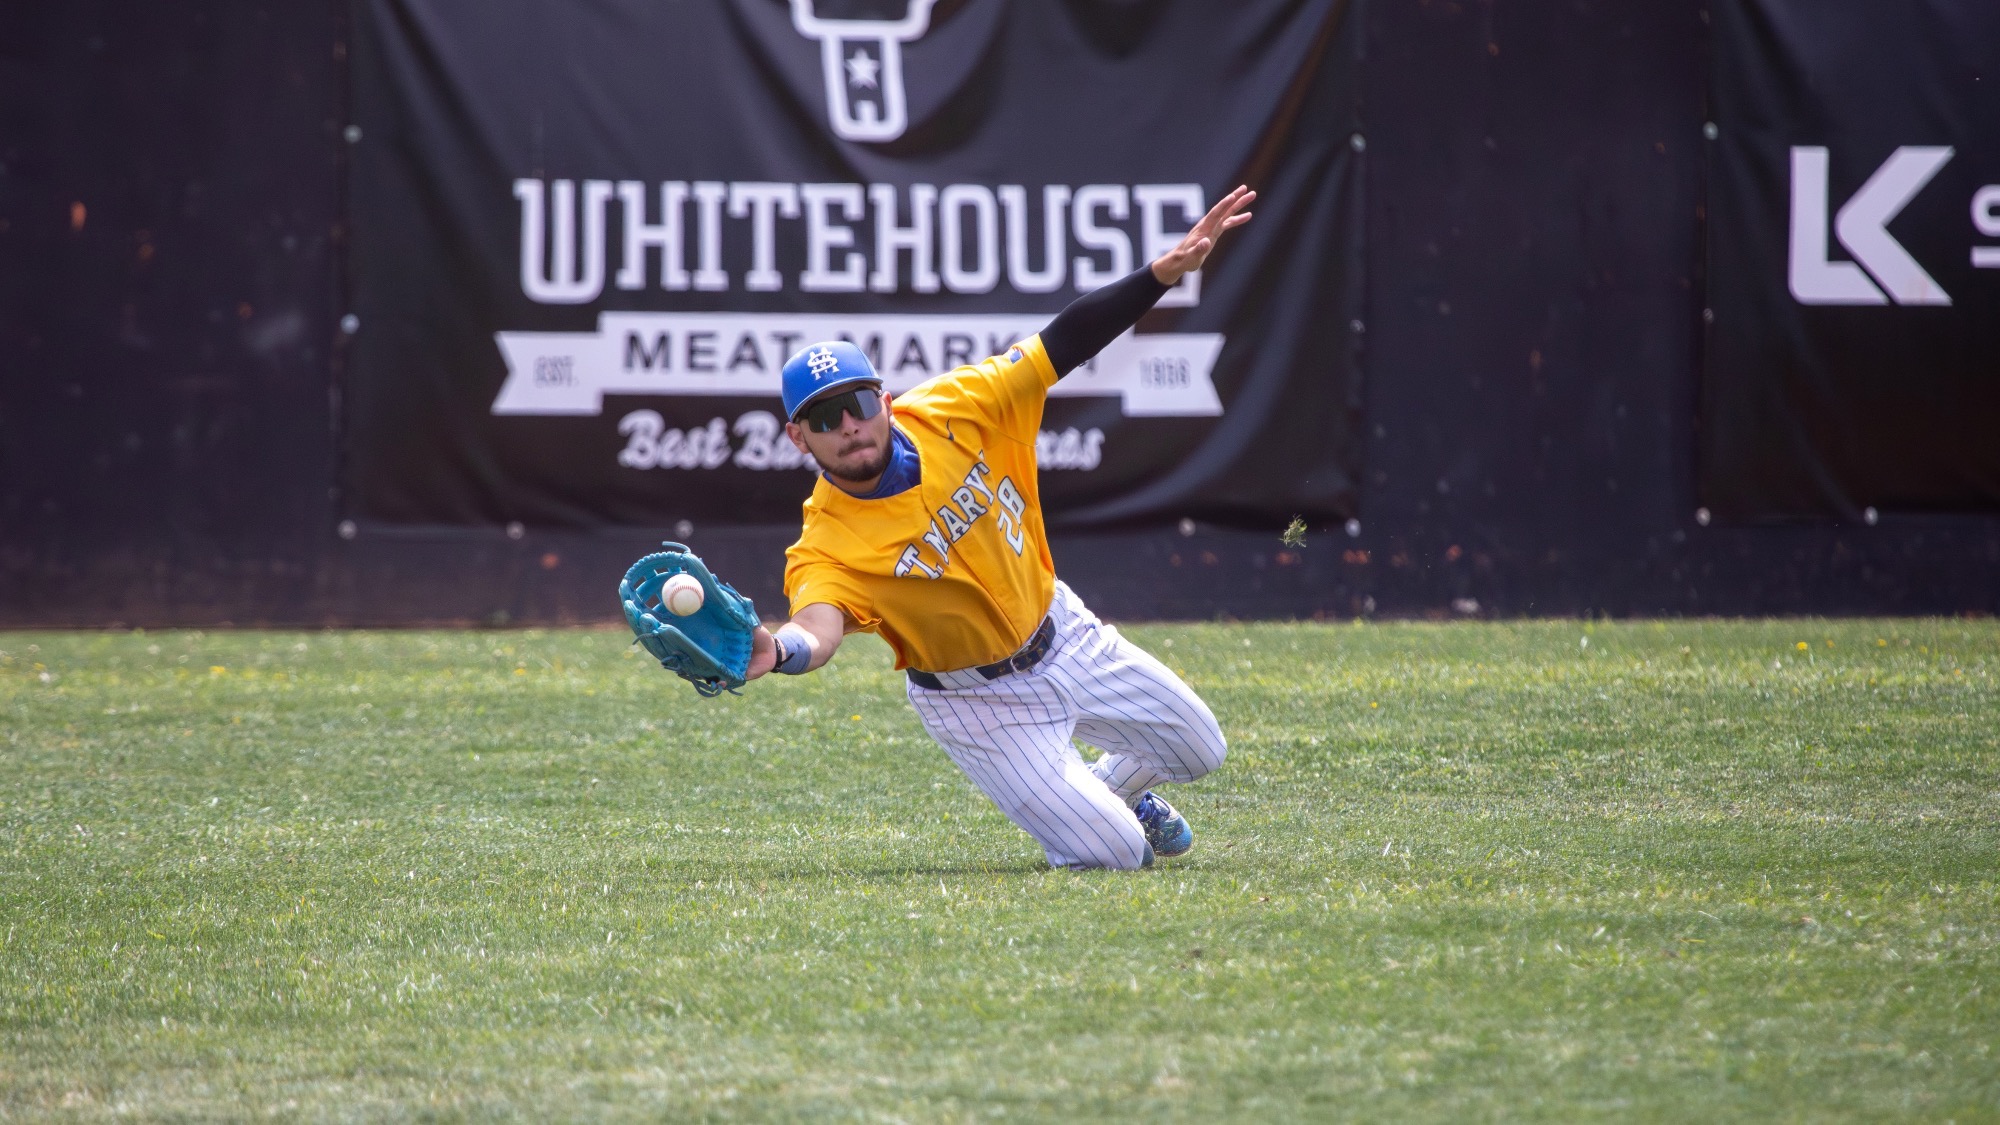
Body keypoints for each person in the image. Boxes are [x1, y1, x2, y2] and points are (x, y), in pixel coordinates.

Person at [746, 186, 1256, 870]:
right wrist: (780, 651)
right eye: (823, 417)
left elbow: (1062, 342)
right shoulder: (827, 541)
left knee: (1201, 747)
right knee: (1119, 856)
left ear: (885, 402)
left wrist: (1159, 277)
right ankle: (1103, 818)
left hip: (1065, 633)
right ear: (798, 438)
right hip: (981, 704)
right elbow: (817, 627)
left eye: (858, 403)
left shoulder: (957, 407)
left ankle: (1109, 793)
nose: (847, 426)